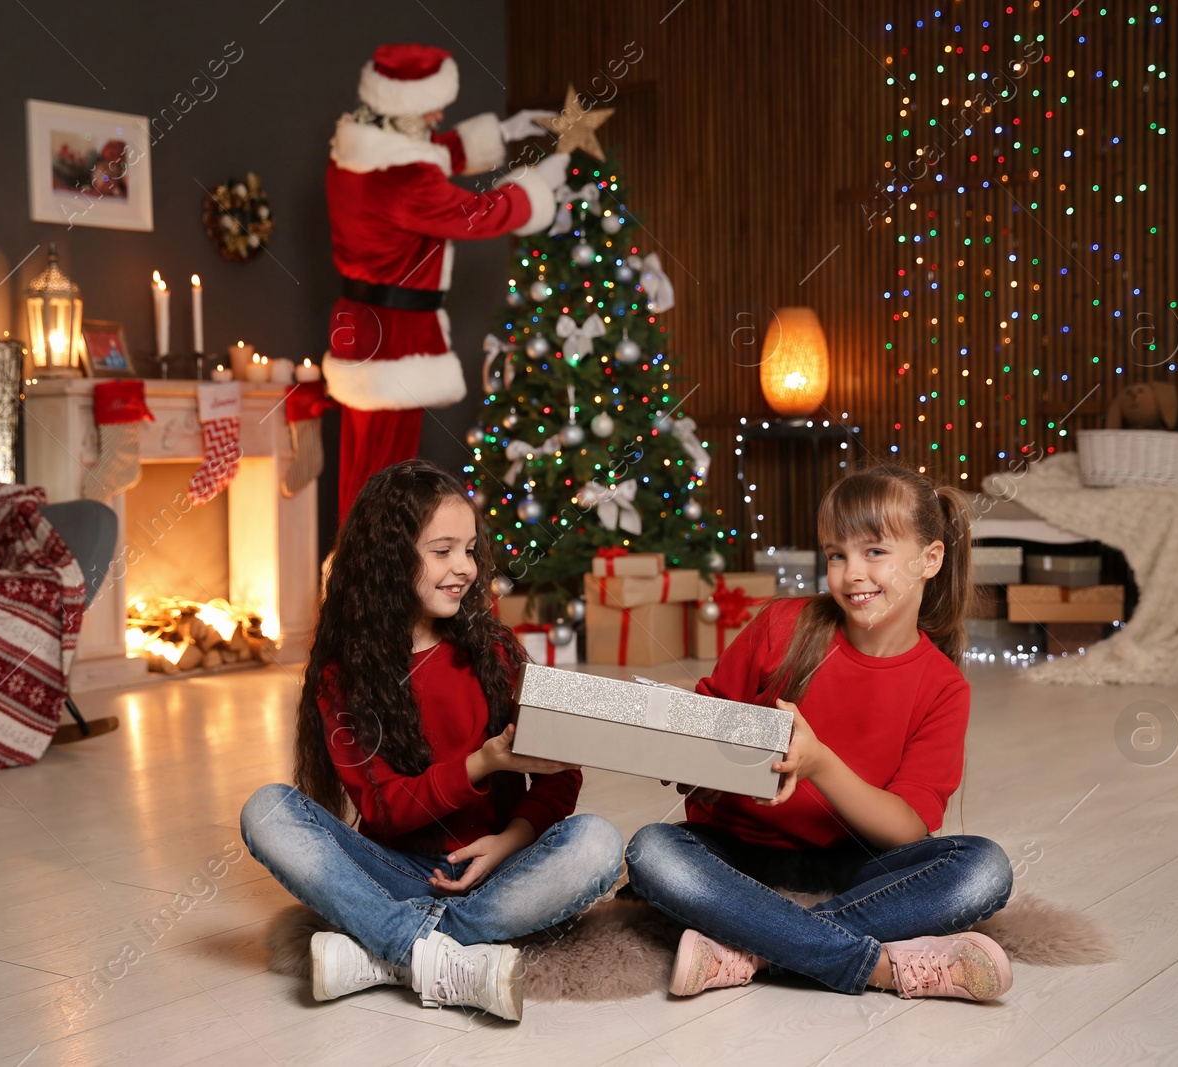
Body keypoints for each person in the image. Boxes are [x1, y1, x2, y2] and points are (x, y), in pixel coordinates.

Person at [241, 460, 622, 1022]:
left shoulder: (494, 649)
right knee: (266, 811)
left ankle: (389, 952)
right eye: (442, 551)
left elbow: (560, 772)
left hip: (497, 870)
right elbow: (385, 812)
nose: (463, 568)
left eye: (469, 550)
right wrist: (483, 763)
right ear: (389, 558)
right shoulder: (344, 675)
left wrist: (510, 841)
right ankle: (442, 957)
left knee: (598, 842)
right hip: (395, 870)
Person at [625, 465, 1016, 1003]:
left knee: (984, 869)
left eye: (874, 552)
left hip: (853, 868)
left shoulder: (943, 686)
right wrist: (685, 748)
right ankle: (876, 966)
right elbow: (714, 712)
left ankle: (754, 948)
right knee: (651, 852)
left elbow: (905, 829)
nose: (852, 573)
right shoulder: (782, 625)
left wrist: (821, 764)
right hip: (739, 853)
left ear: (930, 559)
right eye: (837, 555)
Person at [323, 42, 567, 521]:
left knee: (365, 472)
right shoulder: (406, 180)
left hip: (361, 326)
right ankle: (372, 588)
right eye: (431, 104)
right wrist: (537, 185)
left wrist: (499, 133)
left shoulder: (353, 154)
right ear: (403, 105)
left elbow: (421, 154)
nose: (438, 113)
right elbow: (477, 214)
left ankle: (357, 581)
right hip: (395, 337)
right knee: (383, 482)